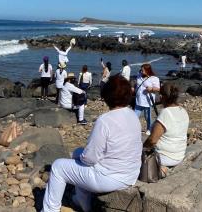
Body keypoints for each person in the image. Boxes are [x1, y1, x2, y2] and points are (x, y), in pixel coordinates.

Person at [42, 75, 142, 212]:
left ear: (107, 96)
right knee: (78, 153)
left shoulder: (105, 120)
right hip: (130, 173)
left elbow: (90, 158)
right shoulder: (132, 115)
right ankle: (81, 202)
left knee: (59, 166)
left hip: (110, 178)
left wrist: (82, 157)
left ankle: (49, 210)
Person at [144, 82, 189, 176]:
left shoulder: (166, 113)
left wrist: (143, 149)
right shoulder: (183, 110)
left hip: (165, 157)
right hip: (179, 154)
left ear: (161, 97)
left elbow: (152, 140)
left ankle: (160, 169)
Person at [134, 64, 160, 135]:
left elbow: (158, 89)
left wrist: (151, 89)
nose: (141, 71)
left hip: (147, 101)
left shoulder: (154, 78)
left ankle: (149, 129)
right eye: (141, 70)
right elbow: (137, 85)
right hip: (138, 100)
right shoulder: (139, 76)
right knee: (134, 116)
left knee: (147, 117)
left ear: (147, 70)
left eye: (143, 70)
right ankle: (134, 129)